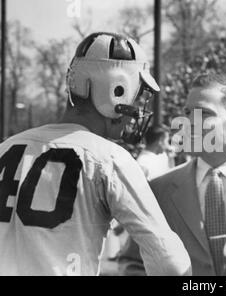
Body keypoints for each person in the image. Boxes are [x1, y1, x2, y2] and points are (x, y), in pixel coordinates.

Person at [0, 32, 191, 276]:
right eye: (137, 94)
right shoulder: (109, 158)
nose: (138, 107)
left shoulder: (5, 148)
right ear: (116, 90)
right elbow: (170, 264)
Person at [118, 73, 226, 275]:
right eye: (187, 112)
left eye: (204, 113)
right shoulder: (159, 191)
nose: (189, 122)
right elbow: (134, 263)